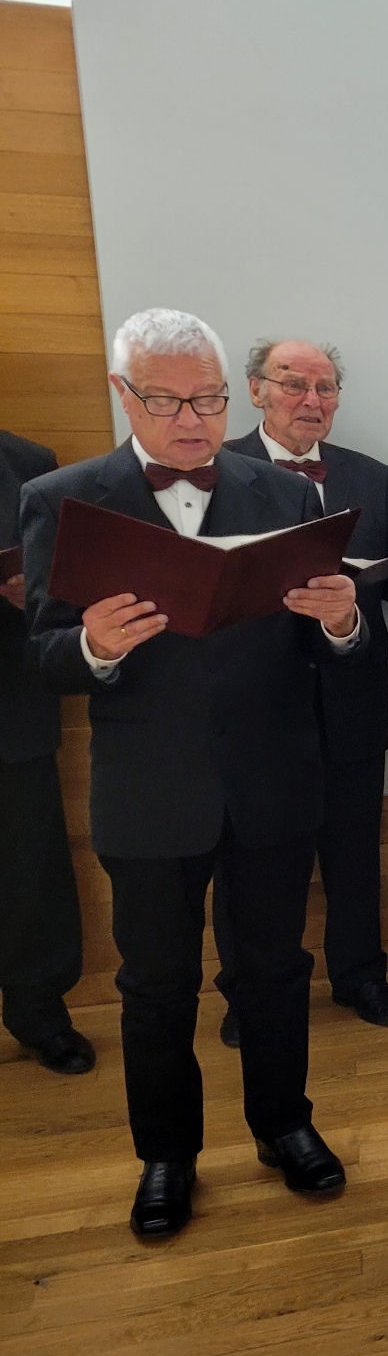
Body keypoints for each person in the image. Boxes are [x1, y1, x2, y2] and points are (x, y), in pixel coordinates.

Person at [20, 308, 363, 1238]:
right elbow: (43, 655)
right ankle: (166, 1155)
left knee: (276, 971)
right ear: (123, 394)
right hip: (149, 788)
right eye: (168, 401)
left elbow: (327, 647)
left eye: (208, 400)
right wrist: (91, 646)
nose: (193, 420)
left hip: (272, 781)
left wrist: (342, 620)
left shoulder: (286, 493)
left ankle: (285, 1125)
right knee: (156, 985)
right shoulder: (66, 499)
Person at [213, 338, 388, 1043]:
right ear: (256, 389)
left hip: (352, 693)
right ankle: (249, 994)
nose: (311, 400)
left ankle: (361, 977)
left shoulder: (372, 477)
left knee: (354, 850)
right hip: (253, 704)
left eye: (325, 388)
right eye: (294, 384)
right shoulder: (212, 472)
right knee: (248, 860)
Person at [0, 427, 89, 1075]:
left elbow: (65, 584)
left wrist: (32, 594)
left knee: (30, 869)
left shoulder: (29, 462)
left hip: (13, 701)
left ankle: (39, 1014)